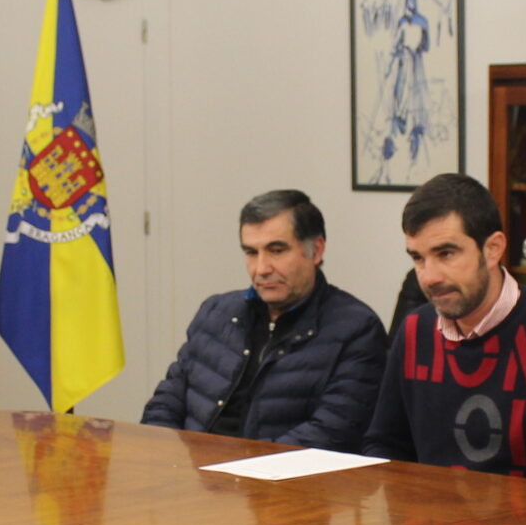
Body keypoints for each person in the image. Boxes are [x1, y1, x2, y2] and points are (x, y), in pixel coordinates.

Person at [362, 173, 526, 488]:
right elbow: (384, 447)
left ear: (493, 249)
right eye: (418, 259)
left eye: (446, 254)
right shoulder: (415, 332)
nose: (429, 276)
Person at [142, 189, 387, 448]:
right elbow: (164, 405)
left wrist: (240, 472)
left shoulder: (357, 329)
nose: (261, 269)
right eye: (251, 252)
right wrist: (168, 460)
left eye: (277, 250)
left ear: (315, 251)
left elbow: (333, 433)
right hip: (191, 476)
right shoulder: (215, 313)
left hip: (286, 484)